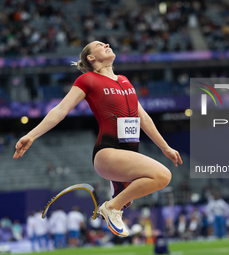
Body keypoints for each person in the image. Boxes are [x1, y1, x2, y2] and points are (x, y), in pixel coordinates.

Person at [13, 41, 183, 238]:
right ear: (91, 58)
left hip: (128, 153)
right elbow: (60, 110)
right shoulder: (88, 79)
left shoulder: (125, 81)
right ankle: (112, 206)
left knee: (156, 179)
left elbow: (143, 118)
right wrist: (31, 135)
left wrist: (165, 147)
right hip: (107, 152)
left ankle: (117, 194)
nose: (107, 44)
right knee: (163, 175)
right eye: (100, 45)